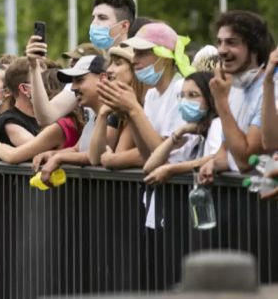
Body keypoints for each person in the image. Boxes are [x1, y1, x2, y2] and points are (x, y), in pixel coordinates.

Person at [27, 0, 137, 126]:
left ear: (124, 26)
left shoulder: (139, 67)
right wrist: (33, 67)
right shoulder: (89, 66)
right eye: (94, 18)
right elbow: (46, 116)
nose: (94, 23)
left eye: (102, 18)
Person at [101, 22, 194, 163]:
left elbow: (164, 155)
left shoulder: (182, 90)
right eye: (135, 53)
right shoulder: (151, 95)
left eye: (142, 53)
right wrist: (128, 112)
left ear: (165, 58)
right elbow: (147, 154)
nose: (133, 59)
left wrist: (134, 109)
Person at [199, 11, 273, 181]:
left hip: (267, 202)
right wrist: (213, 164)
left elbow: (246, 161)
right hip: (243, 202)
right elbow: (226, 150)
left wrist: (221, 102)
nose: (222, 50)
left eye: (231, 43)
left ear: (254, 48)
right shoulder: (233, 89)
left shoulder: (271, 89)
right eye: (219, 42)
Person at [33, 55, 108, 183]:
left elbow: (97, 155)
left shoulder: (113, 115)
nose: (73, 88)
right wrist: (52, 154)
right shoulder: (93, 117)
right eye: (72, 82)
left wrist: (60, 158)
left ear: (103, 78)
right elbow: (77, 149)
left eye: (79, 80)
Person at [144, 72, 221, 184]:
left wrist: (171, 170)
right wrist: (179, 132)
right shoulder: (194, 134)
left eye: (193, 95)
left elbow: (216, 158)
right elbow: (149, 167)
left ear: (209, 98)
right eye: (182, 96)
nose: (185, 101)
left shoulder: (217, 124)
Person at [87, 44, 144, 168]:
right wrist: (102, 114)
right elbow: (95, 157)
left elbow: (117, 155)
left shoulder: (142, 105)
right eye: (111, 63)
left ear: (135, 69)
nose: (109, 70)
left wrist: (112, 159)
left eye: (118, 64)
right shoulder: (116, 108)